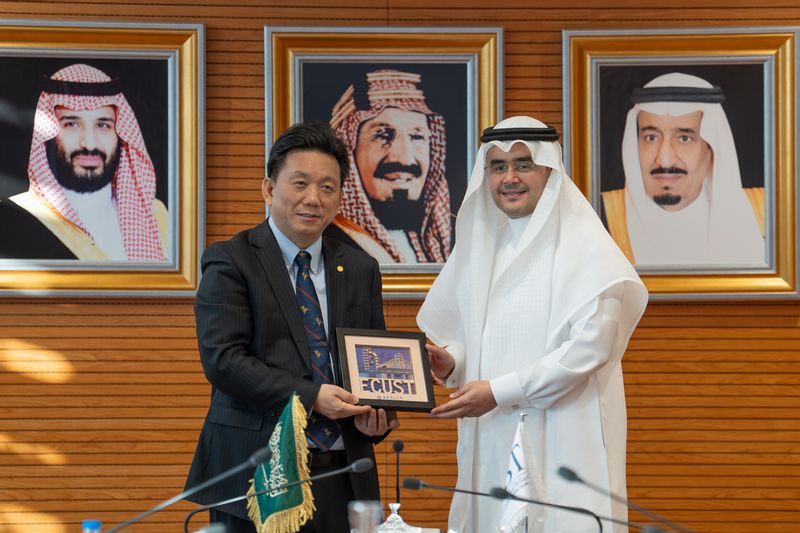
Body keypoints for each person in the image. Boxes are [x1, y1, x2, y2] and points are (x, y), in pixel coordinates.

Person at [417, 116, 648, 533]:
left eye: (523, 164)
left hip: (563, 433)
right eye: (498, 166)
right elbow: (482, 334)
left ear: (549, 170)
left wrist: (501, 391)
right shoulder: (481, 245)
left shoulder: (587, 246)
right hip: (493, 435)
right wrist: (453, 361)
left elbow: (590, 348)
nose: (510, 178)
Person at [185, 122, 398, 533]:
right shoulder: (230, 259)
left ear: (339, 197)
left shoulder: (360, 267)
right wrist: (312, 397)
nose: (313, 198)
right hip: (256, 474)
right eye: (300, 183)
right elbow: (223, 360)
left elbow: (371, 360)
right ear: (269, 188)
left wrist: (379, 415)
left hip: (343, 473)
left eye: (327, 187)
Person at [0, 63, 167, 261]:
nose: (88, 143)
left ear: (120, 135)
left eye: (103, 125)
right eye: (72, 124)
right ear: (49, 134)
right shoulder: (14, 217)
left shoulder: (156, 214)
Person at [602, 72, 765, 267]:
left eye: (684, 138)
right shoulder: (601, 215)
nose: (664, 159)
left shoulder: (763, 212)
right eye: (651, 137)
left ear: (712, 149)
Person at [326, 69, 452, 263]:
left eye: (417, 136)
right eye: (382, 135)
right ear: (348, 149)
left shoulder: (448, 239)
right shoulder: (329, 242)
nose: (405, 159)